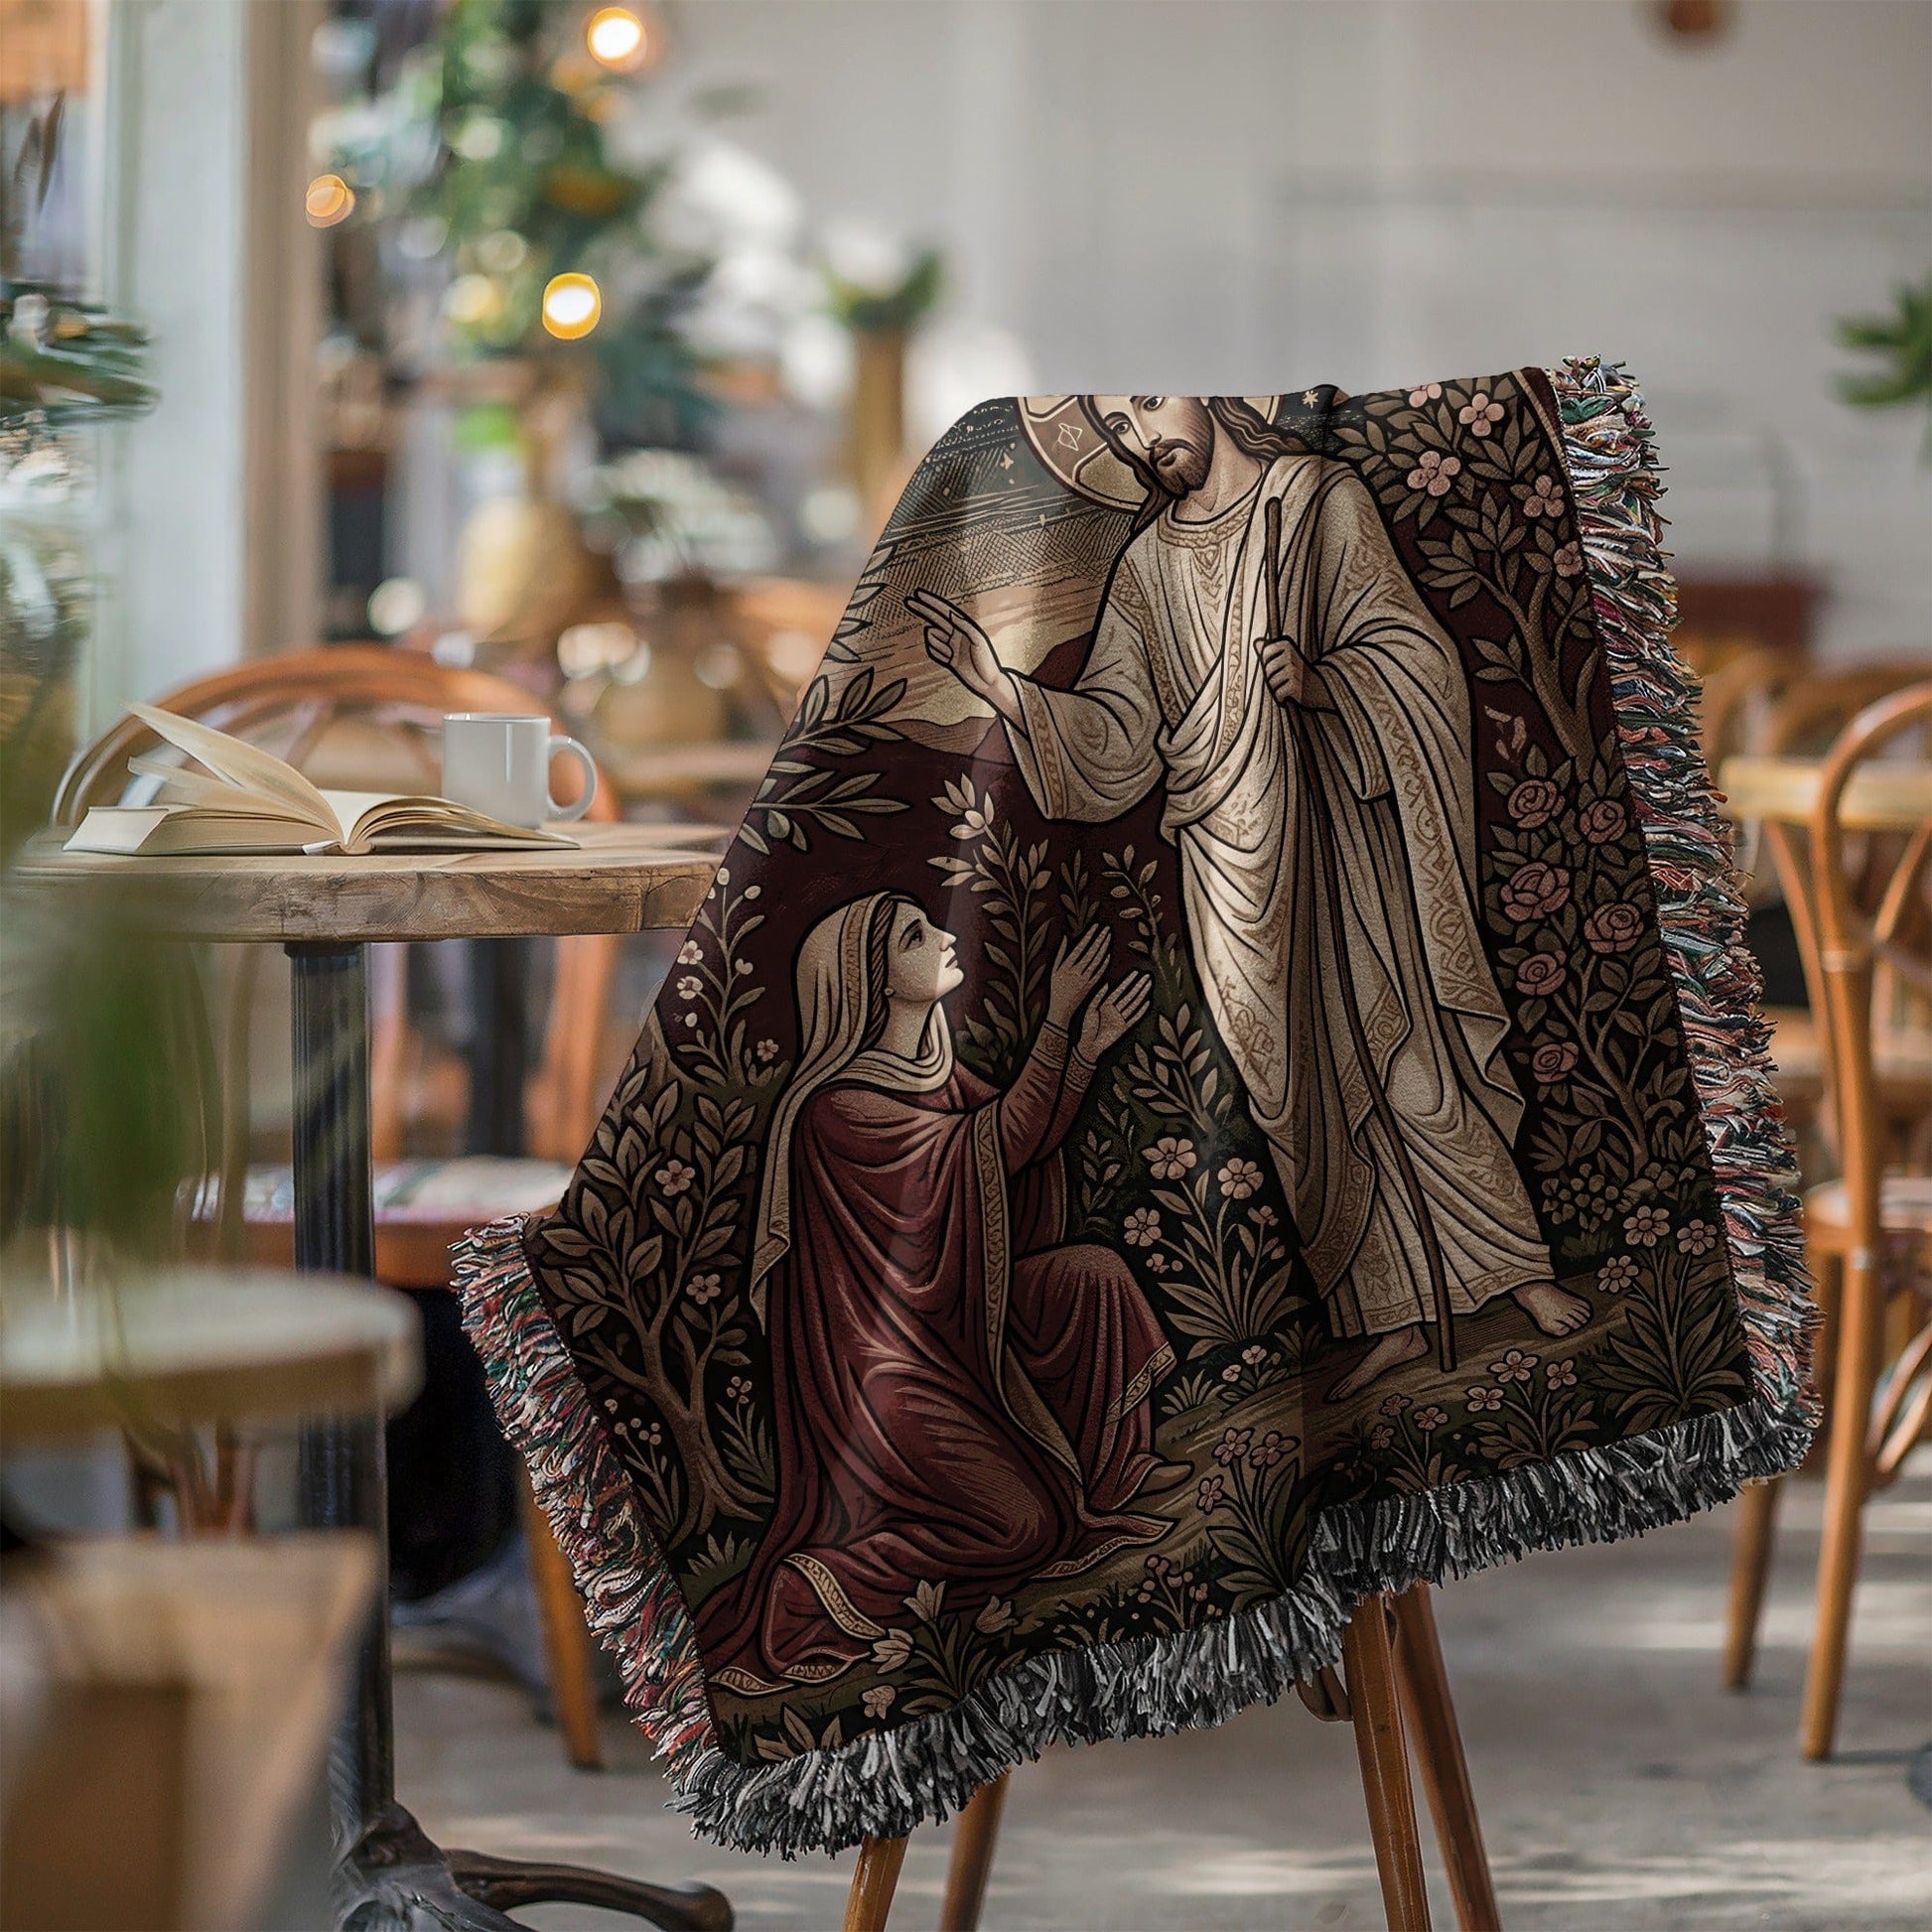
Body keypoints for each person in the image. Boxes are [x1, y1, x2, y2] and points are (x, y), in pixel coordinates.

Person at [911, 394, 1586, 1402]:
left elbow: (1416, 657)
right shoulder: (1142, 564)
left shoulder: (1314, 501)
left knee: (1402, 1047)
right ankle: (1383, 1309)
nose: (1143, 438)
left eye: (1146, 406)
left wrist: (1326, 683)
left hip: (1338, 832)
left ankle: (1513, 1267)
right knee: (1286, 1089)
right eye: (1118, 432)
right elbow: (1117, 729)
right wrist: (1006, 687)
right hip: (1223, 863)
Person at [699, 893, 1183, 1697]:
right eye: (917, 936)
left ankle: (1111, 1475)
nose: (947, 937)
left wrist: (1084, 1053)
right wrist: (1060, 1022)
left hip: (953, 1329)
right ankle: (815, 1588)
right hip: (886, 1371)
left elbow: (1004, 1156)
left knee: (1091, 1275)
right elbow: (986, 1147)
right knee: (1020, 1527)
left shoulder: (929, 1072)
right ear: (872, 982)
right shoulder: (837, 1109)